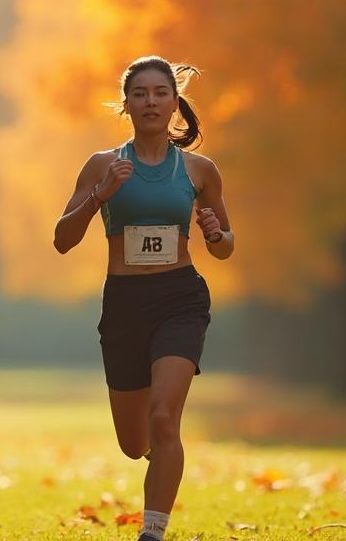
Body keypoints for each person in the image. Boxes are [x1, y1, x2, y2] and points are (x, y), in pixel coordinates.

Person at [52, 55, 234, 541]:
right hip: (125, 303)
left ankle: (152, 532)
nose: (150, 101)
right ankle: (161, 453)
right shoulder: (102, 165)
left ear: (175, 103)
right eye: (140, 94)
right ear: (126, 105)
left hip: (180, 297)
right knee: (135, 444)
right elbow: (62, 239)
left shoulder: (199, 170)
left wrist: (216, 234)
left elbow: (227, 246)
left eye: (160, 93)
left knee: (163, 417)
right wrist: (101, 195)